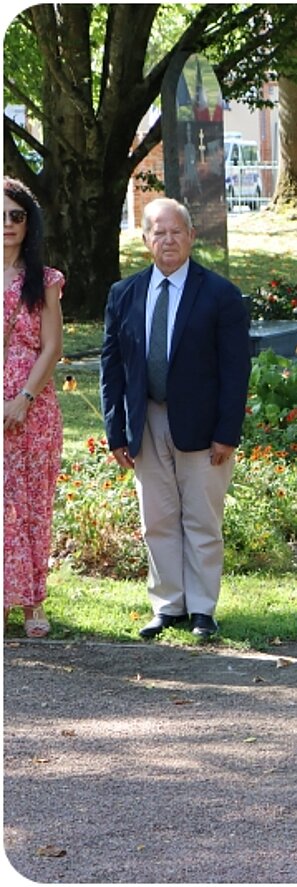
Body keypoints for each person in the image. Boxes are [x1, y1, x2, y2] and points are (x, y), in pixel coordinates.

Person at [101, 198, 251, 641]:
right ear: (145, 240)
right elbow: (112, 369)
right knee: (158, 518)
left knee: (202, 519)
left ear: (190, 237)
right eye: (158, 232)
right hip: (146, 419)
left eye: (176, 232)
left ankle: (203, 609)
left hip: (204, 428)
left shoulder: (220, 294)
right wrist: (116, 433)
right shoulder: (123, 294)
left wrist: (227, 432)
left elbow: (235, 369)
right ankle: (168, 606)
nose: (167, 240)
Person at [3, 177, 65, 639]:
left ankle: (33, 604)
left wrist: (24, 398)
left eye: (16, 215)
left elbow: (52, 347)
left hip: (34, 407)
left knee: (31, 506)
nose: (7, 224)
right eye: (1, 215)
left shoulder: (42, 279)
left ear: (30, 221)